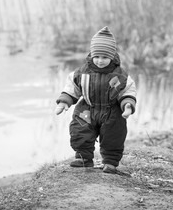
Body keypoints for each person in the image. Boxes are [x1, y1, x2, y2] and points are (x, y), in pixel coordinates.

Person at [55, 26, 137, 174]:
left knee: (113, 137)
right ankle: (83, 158)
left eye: (105, 57)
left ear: (112, 57)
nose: (100, 61)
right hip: (87, 108)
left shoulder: (118, 75)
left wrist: (128, 105)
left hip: (111, 111)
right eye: (97, 57)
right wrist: (64, 101)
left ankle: (110, 162)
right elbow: (72, 87)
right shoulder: (82, 72)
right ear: (91, 55)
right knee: (80, 132)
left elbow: (127, 91)